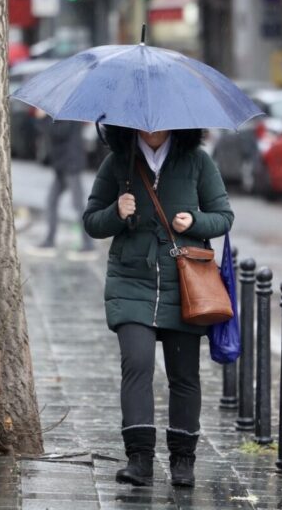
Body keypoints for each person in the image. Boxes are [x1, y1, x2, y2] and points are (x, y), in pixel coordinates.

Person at [82, 125, 234, 488]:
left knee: (184, 375)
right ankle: (139, 460)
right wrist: (116, 212)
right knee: (137, 364)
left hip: (184, 284)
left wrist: (194, 221)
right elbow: (91, 222)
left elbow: (224, 216)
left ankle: (183, 461)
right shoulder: (118, 162)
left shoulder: (197, 161)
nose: (153, 129)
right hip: (130, 281)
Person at [31, 115, 96, 260]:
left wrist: (43, 118)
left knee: (77, 205)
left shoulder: (66, 113)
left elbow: (59, 132)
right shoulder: (62, 111)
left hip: (70, 163)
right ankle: (49, 241)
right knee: (52, 201)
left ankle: (88, 245)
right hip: (63, 163)